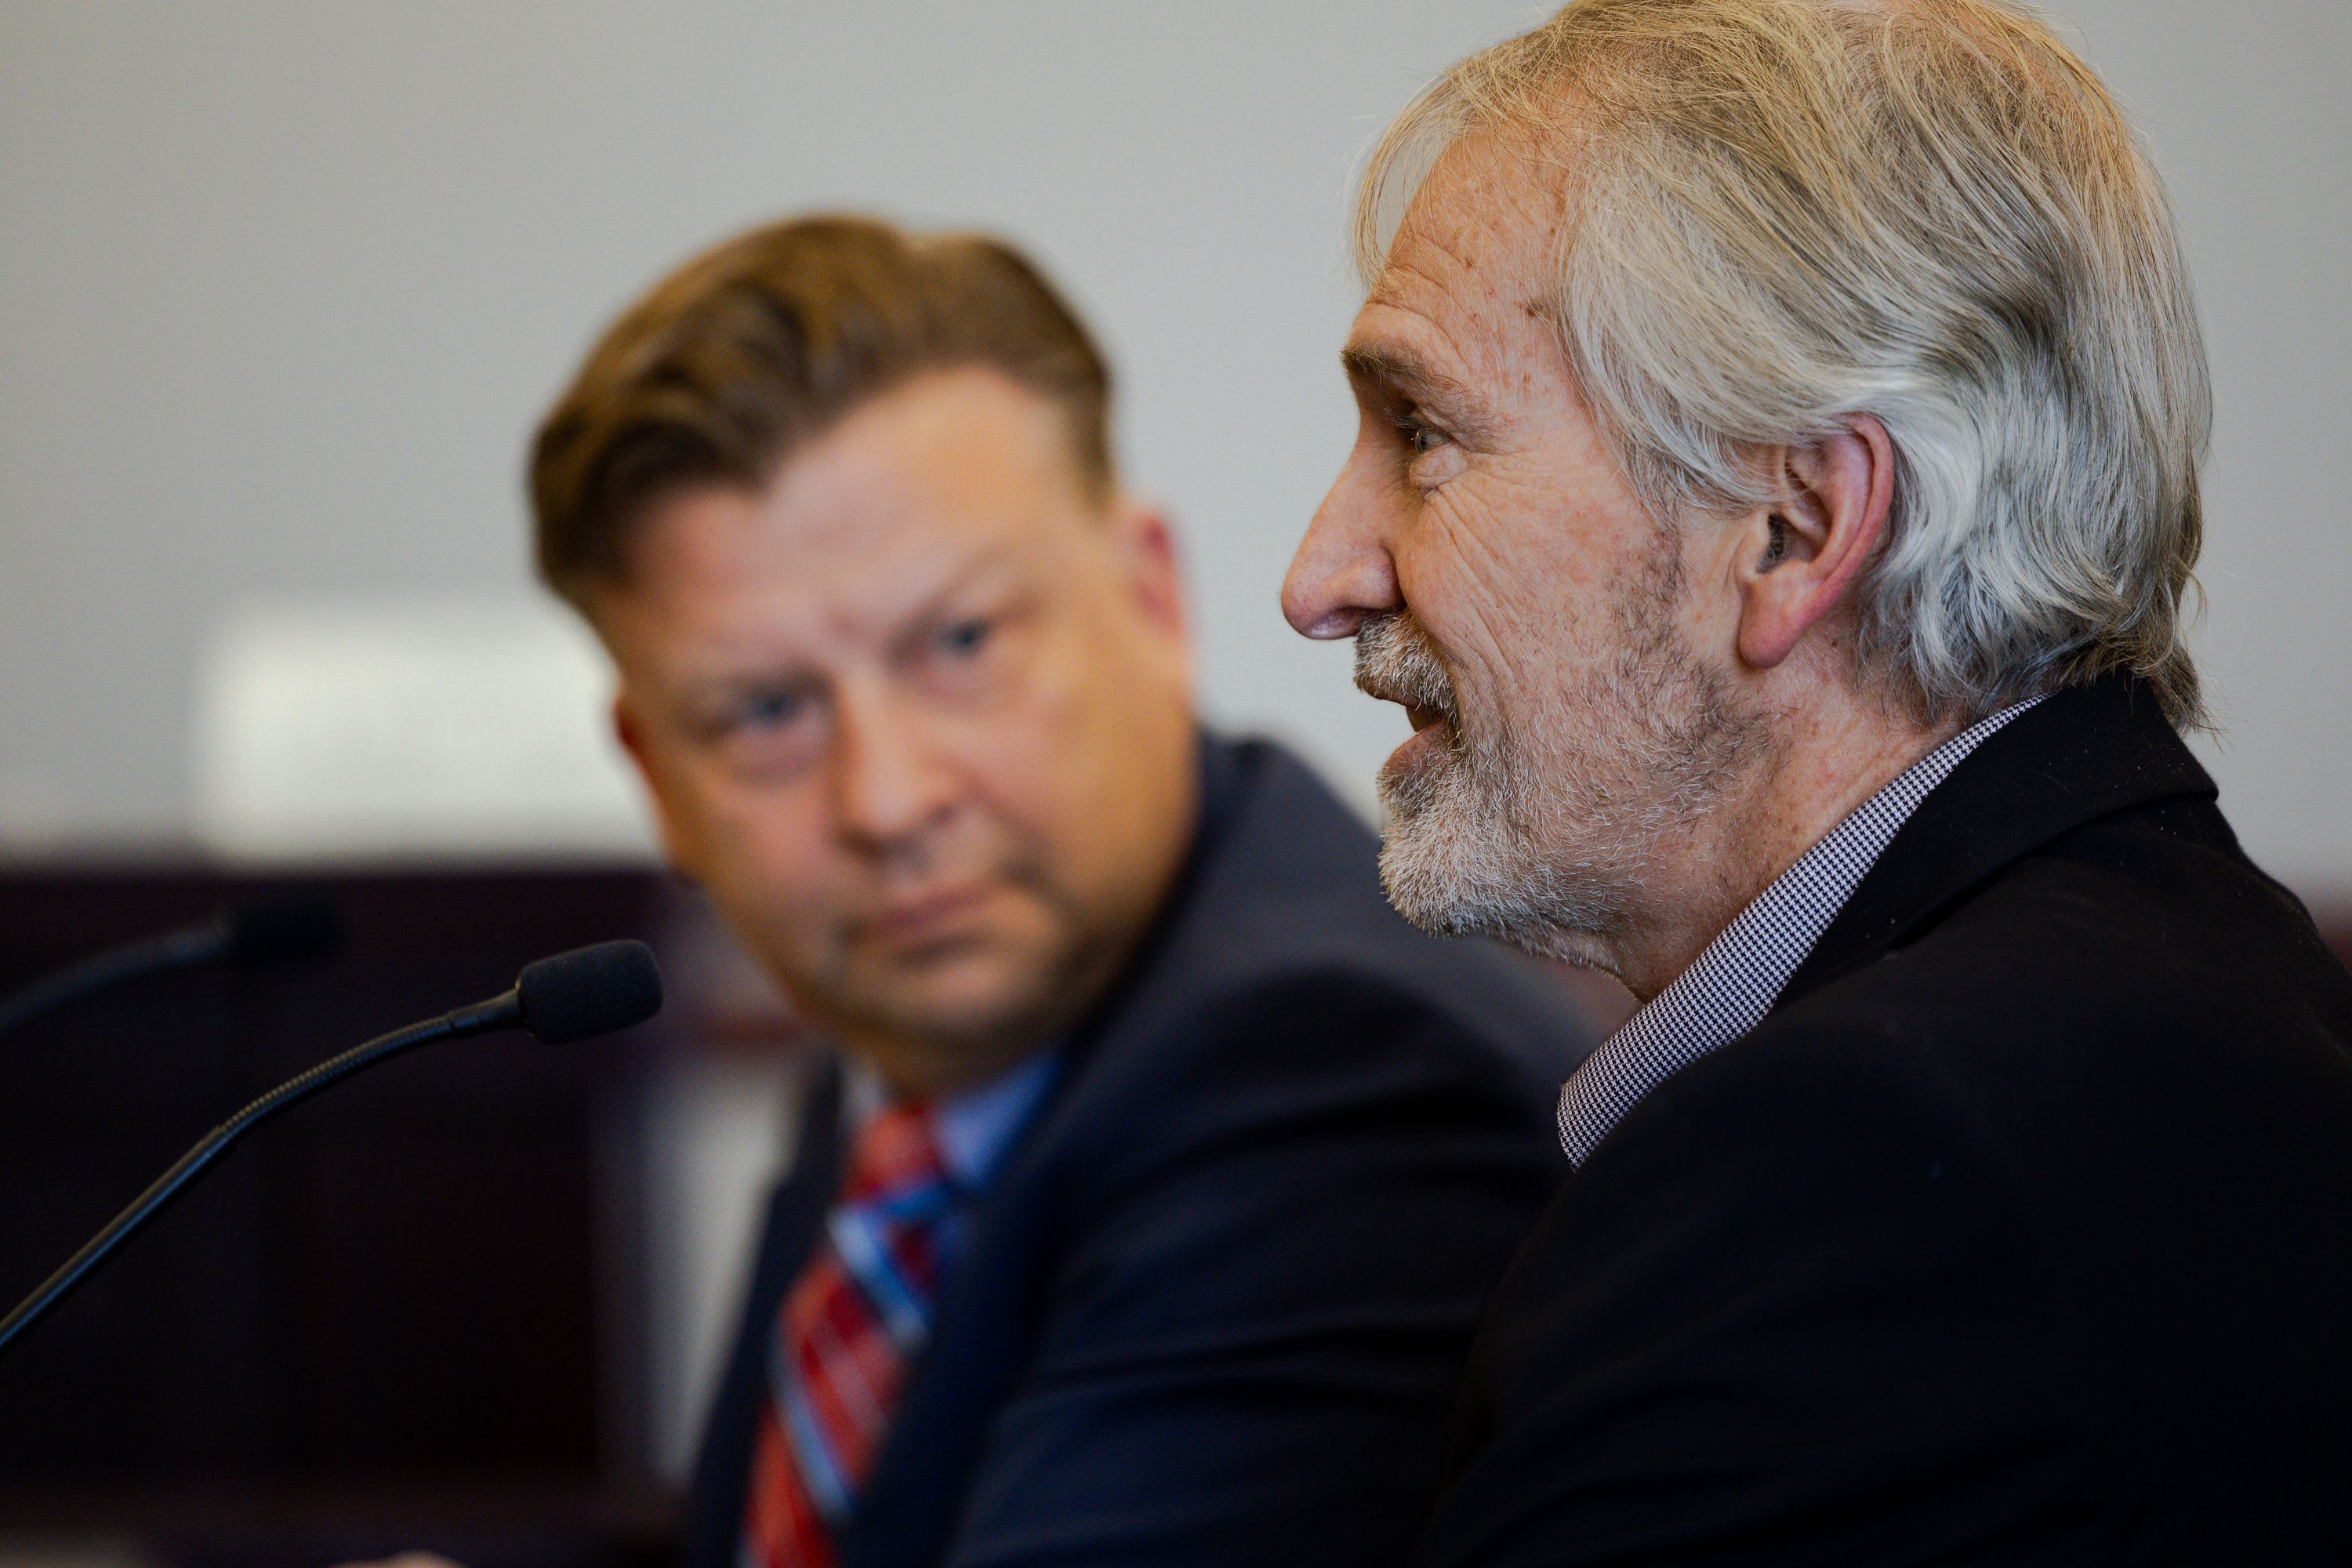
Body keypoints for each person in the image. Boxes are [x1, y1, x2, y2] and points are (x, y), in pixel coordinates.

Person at [1281, 0, 2352, 1562]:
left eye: (1425, 432)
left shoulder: (1860, 1162)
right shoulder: (2200, 993)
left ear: (1792, 529)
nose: (1321, 576)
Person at [529, 214, 1590, 1568]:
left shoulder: (1336, 1084)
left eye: (961, 641)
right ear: (655, 776)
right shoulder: (922, 1045)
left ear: (1150, 599)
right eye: (763, 711)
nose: (888, 801)